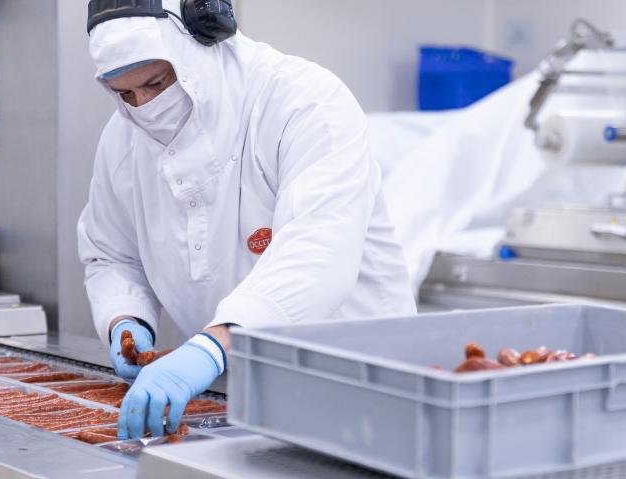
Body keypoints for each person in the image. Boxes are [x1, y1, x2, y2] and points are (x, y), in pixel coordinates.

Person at [78, 0, 416, 440]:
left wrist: (212, 348)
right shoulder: (123, 138)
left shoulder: (303, 102)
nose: (144, 107)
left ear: (201, 40)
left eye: (156, 82)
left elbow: (318, 253)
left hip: (363, 393)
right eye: (125, 94)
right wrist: (125, 320)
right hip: (241, 402)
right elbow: (111, 254)